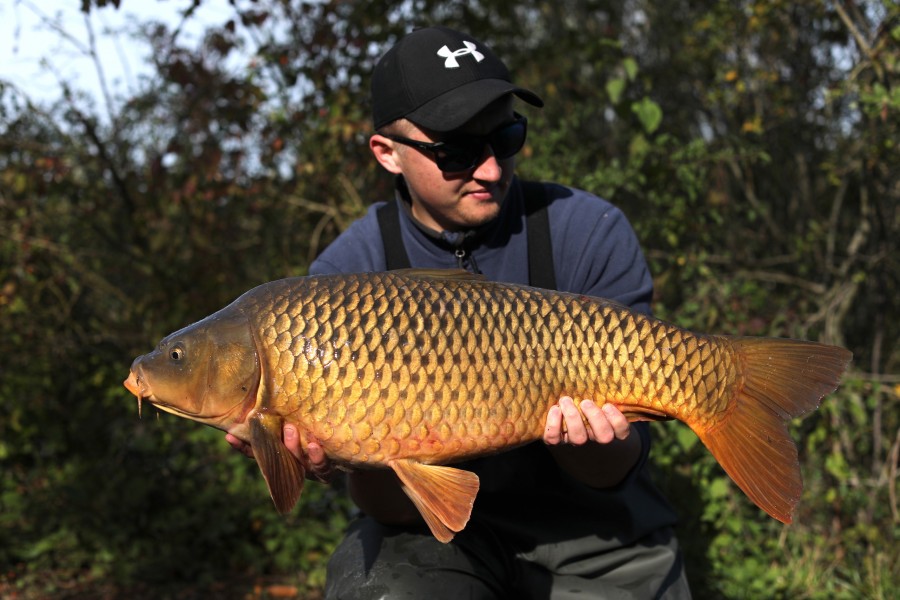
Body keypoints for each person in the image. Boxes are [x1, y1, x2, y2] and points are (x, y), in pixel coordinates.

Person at [229, 26, 691, 599]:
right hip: (428, 537)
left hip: (597, 527)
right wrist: (339, 457)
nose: (493, 169)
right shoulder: (346, 272)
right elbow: (386, 508)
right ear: (387, 153)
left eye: (507, 135)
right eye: (456, 151)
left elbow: (617, 470)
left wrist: (592, 445)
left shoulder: (587, 230)